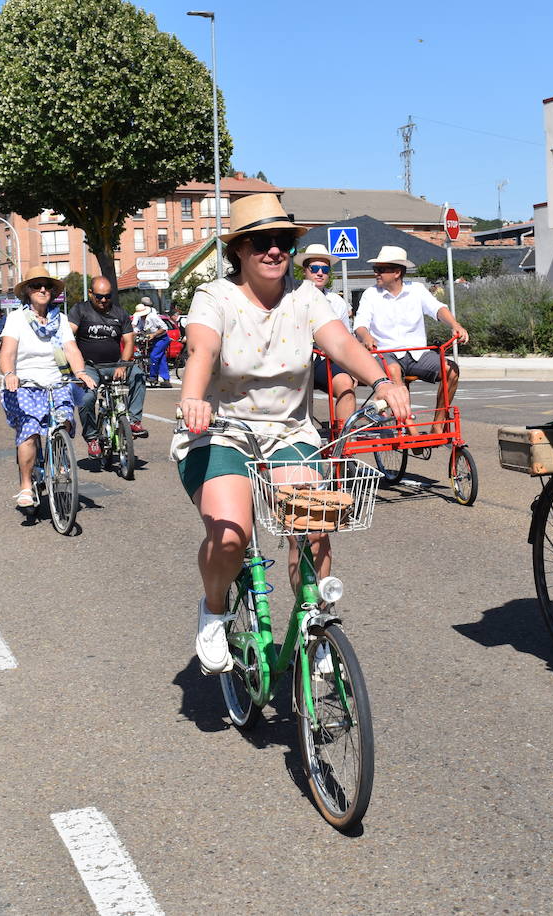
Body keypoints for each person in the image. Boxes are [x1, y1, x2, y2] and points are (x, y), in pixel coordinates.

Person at [174, 194, 412, 675]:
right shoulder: (215, 297)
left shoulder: (306, 298)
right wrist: (194, 397)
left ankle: (314, 622)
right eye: (261, 242)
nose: (274, 251)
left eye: (281, 241)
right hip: (220, 430)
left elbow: (342, 343)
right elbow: (202, 348)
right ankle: (214, 612)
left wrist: (383, 382)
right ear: (239, 250)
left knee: (313, 530)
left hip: (289, 432)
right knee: (231, 535)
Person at [0, 273, 98, 508]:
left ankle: (58, 457)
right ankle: (25, 486)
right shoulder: (16, 319)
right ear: (27, 292)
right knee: (30, 431)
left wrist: (81, 372)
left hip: (56, 380)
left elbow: (71, 349)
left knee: (64, 420)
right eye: (36, 286)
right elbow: (8, 352)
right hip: (25, 383)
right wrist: (10, 374)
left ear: (53, 292)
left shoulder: (60, 319)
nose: (42, 290)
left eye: (47, 287)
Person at [353, 245, 469, 436]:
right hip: (386, 353)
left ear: (397, 272)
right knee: (393, 371)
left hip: (417, 354)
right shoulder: (370, 295)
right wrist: (366, 337)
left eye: (381, 269)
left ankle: (438, 422)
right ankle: (411, 431)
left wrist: (455, 325)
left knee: (452, 370)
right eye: (376, 269)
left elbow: (438, 309)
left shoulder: (417, 290)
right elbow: (360, 325)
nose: (376, 273)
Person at [67, 276, 149, 458]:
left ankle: (134, 421)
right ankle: (92, 437)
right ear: (90, 293)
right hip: (89, 367)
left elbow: (129, 341)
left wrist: (123, 365)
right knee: (86, 398)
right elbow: (68, 335)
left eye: (107, 296)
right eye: (99, 296)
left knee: (138, 375)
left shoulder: (119, 313)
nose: (103, 300)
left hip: (114, 365)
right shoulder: (79, 310)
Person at [294, 243, 358, 433]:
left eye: (325, 269)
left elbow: (346, 339)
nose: (320, 273)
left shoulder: (337, 302)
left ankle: (343, 443)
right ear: (305, 271)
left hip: (323, 360)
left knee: (346, 384)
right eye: (314, 268)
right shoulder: (291, 296)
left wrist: (352, 368)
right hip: (295, 359)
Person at [132, 298, 171, 387]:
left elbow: (164, 328)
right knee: (161, 359)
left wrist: (154, 334)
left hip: (162, 338)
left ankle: (153, 376)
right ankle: (166, 379)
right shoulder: (142, 319)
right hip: (156, 340)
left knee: (154, 356)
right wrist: (132, 333)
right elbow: (138, 328)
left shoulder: (153, 317)